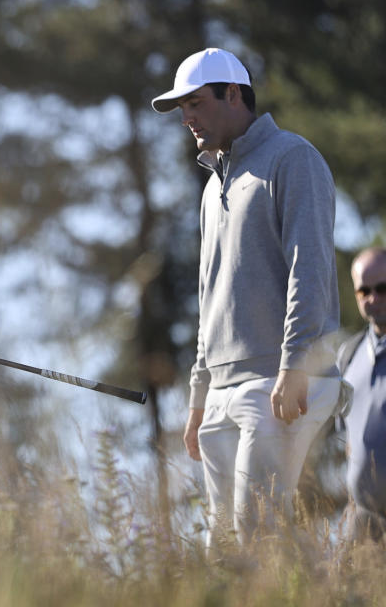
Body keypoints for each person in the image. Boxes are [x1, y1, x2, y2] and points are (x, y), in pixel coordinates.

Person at [151, 48, 344, 547]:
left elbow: (312, 268)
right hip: (221, 391)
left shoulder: (292, 157)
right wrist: (197, 399)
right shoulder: (211, 186)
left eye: (194, 103)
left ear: (233, 93)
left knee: (255, 539)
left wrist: (295, 363)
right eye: (181, 109)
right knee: (226, 548)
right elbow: (208, 293)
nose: (187, 118)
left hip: (277, 380)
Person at [338, 247, 386, 542]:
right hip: (363, 527)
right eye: (364, 291)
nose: (374, 298)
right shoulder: (348, 355)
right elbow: (348, 443)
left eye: (383, 288)